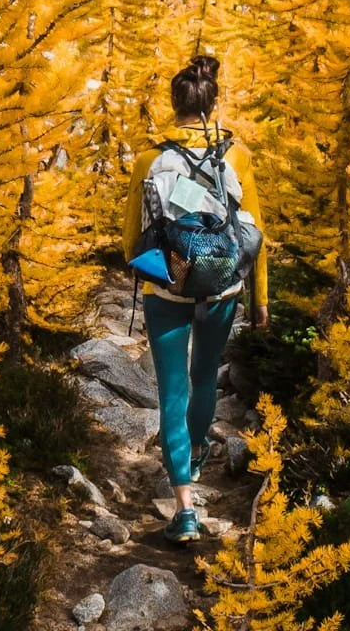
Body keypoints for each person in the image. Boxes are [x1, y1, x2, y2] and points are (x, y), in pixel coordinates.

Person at [122, 54, 268, 544]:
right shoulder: (236, 155)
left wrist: (156, 271)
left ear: (174, 105)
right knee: (205, 376)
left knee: (172, 390)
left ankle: (184, 507)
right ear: (214, 102)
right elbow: (254, 232)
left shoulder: (149, 158)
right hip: (223, 286)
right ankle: (198, 448)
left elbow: (132, 237)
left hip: (168, 288)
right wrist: (259, 299)